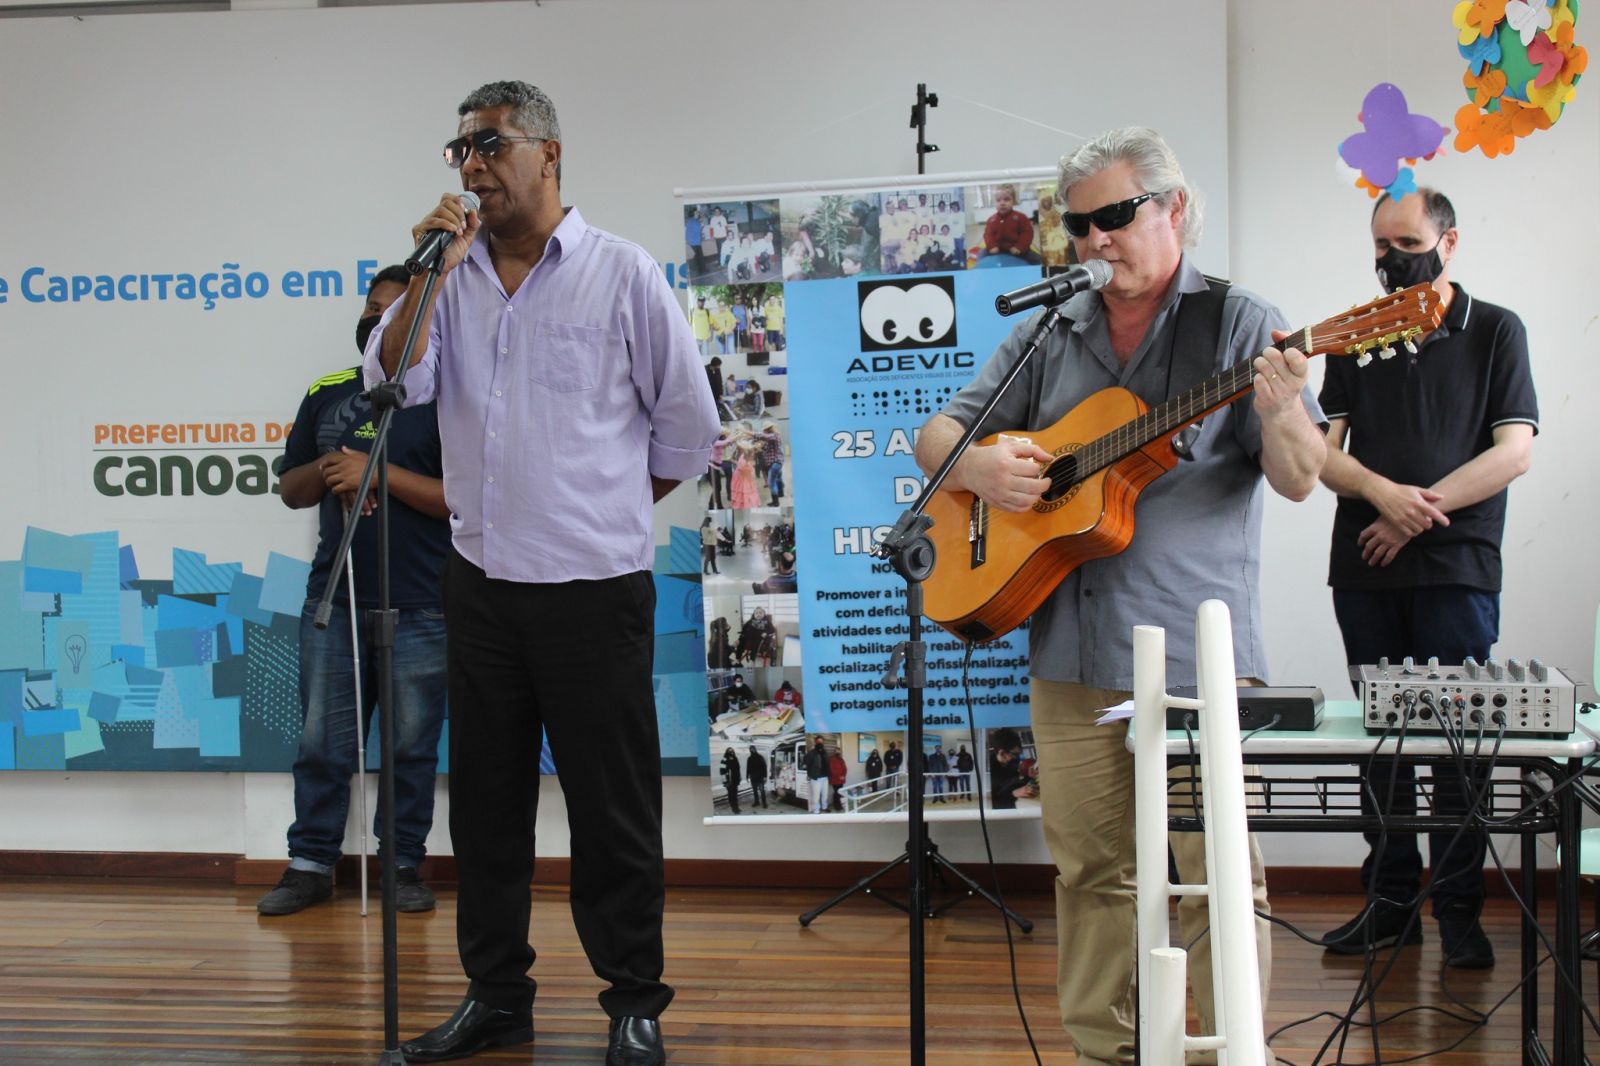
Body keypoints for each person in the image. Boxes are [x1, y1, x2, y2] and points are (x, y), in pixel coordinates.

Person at [914, 127, 1326, 1065]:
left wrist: (1278, 407)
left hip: (1195, 655)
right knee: (1092, 870)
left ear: (1173, 209)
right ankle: (1107, 1052)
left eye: (1113, 217)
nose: (1095, 241)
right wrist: (978, 463)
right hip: (1068, 649)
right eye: (1078, 226)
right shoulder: (1047, 331)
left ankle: (1231, 1054)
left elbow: (1301, 479)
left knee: (1215, 873)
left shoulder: (1241, 322)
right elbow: (936, 434)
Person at [368, 81, 718, 1066]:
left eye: (489, 144)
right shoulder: (451, 276)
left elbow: (688, 432)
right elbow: (392, 380)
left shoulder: (622, 274)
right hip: (480, 585)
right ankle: (496, 997)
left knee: (612, 812)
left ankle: (633, 1003)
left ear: (548, 154)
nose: (472, 164)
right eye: (459, 148)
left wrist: (599, 505)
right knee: (483, 808)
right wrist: (426, 276)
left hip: (595, 587)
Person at [1316, 187, 1537, 969]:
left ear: (1449, 243)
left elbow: (1514, 450)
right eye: (1379, 245)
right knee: (1381, 744)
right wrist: (1380, 494)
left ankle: (1460, 913)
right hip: (1366, 564)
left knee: (1456, 747)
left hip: (1458, 567)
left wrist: (1418, 509)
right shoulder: (1352, 336)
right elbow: (1320, 454)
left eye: (1405, 241)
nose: (1389, 259)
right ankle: (1388, 905)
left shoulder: (1497, 330)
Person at [257, 265, 450, 919]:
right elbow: (292, 489)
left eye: (393, 312)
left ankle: (401, 865)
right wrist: (330, 467)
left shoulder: (451, 395)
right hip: (334, 600)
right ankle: (310, 865)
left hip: (423, 604)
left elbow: (468, 502)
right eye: (371, 308)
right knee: (322, 744)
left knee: (409, 747)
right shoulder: (329, 392)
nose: (376, 321)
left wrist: (381, 474)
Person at [988, 728, 1037, 810]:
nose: (1018, 758)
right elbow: (992, 800)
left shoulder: (1011, 764)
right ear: (1002, 753)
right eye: (1015, 754)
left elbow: (1015, 786)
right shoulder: (990, 771)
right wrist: (1013, 794)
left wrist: (1029, 777)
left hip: (1012, 810)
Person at [982, 183, 1034, 260]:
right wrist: (992, 246)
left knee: (1037, 259)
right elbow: (988, 235)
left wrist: (1020, 247)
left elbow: (1027, 233)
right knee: (981, 256)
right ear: (995, 202)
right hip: (997, 249)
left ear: (1013, 201)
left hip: (1017, 249)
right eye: (998, 200)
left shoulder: (1021, 217)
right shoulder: (991, 220)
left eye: (1006, 199)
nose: (1002, 203)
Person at [804, 738, 830, 814]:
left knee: (825, 795)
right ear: (816, 742)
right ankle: (816, 810)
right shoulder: (811, 752)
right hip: (816, 778)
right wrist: (813, 751)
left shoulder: (825, 752)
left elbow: (828, 763)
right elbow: (806, 761)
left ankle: (824, 807)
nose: (820, 743)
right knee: (816, 796)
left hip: (825, 777)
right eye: (819, 741)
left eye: (822, 742)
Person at [720, 747, 742, 814]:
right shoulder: (724, 759)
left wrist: (739, 777)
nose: (731, 752)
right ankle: (734, 808)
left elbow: (738, 769)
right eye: (729, 751)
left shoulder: (735, 758)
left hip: (735, 780)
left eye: (732, 751)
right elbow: (722, 771)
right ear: (726, 752)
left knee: (735, 794)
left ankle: (736, 807)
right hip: (729, 780)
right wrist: (725, 781)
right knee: (731, 794)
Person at [827, 747, 849, 811]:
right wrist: (839, 776)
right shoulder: (831, 759)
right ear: (834, 751)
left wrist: (843, 775)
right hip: (835, 780)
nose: (838, 752)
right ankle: (837, 806)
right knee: (837, 792)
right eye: (837, 751)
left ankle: (839, 804)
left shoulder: (841, 759)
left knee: (840, 792)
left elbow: (845, 768)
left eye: (839, 751)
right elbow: (832, 770)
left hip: (841, 779)